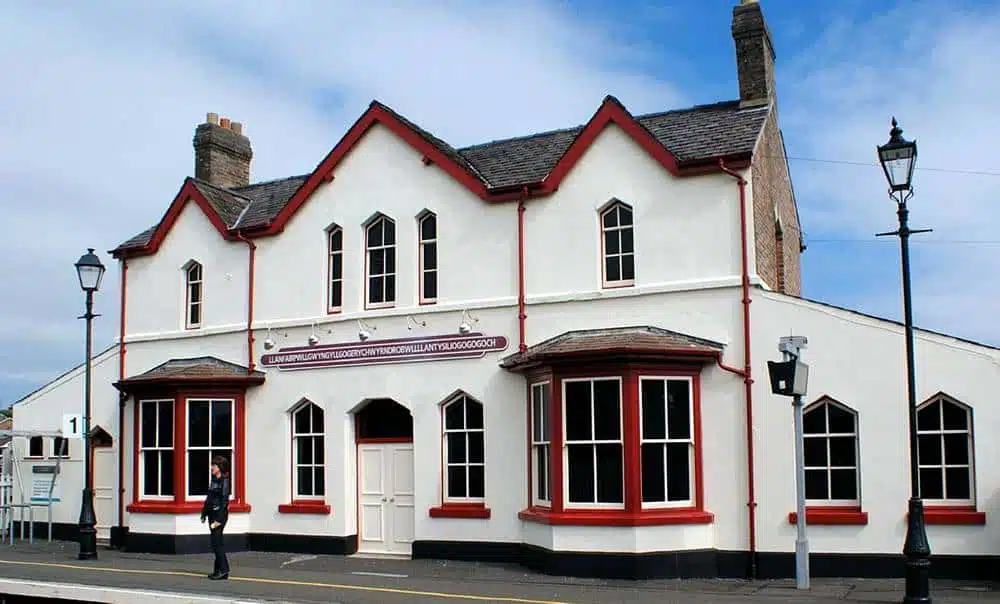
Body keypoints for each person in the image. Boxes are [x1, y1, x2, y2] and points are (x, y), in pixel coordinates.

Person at [200, 455, 231, 580]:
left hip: (219, 516)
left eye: (214, 465)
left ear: (220, 467)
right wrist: (204, 513)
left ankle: (223, 570)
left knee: (217, 543)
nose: (212, 467)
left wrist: (218, 520)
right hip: (212, 514)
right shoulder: (214, 480)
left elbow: (224, 502)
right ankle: (218, 570)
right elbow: (209, 498)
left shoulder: (224, 481)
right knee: (216, 542)